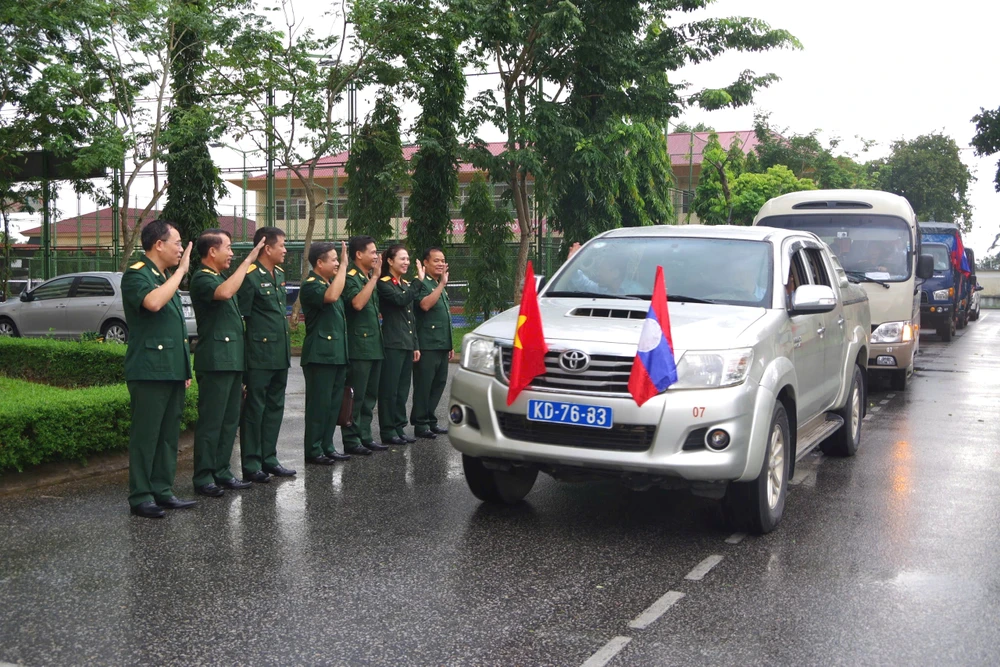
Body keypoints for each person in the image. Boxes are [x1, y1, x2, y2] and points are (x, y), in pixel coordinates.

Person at [121, 219, 196, 518]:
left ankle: (162, 490)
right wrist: (180, 273)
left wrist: (185, 370)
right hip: (149, 369)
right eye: (177, 243)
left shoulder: (163, 276)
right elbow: (152, 303)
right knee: (146, 435)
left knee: (167, 436)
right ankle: (141, 496)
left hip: (171, 369)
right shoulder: (137, 275)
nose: (181, 249)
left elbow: (176, 330)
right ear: (158, 244)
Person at [189, 230, 265, 498]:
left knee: (229, 421)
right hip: (215, 361)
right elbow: (224, 293)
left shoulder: (221, 276)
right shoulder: (202, 278)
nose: (232, 253)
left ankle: (222, 471)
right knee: (212, 421)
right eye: (229, 248)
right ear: (212, 251)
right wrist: (250, 260)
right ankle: (204, 476)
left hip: (231, 361)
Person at [237, 226, 296, 482]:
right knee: (255, 408)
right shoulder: (249, 276)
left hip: (279, 353)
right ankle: (251, 463)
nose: (285, 250)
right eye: (281, 245)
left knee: (275, 407)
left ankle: (269, 458)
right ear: (267, 247)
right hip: (259, 354)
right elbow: (242, 319)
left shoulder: (279, 273)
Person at [299, 241, 354, 465]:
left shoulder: (330, 283)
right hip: (320, 355)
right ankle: (313, 449)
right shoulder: (311, 285)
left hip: (337, 354)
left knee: (333, 405)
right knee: (319, 405)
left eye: (337, 259)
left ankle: (327, 445)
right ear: (319, 263)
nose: (337, 263)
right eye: (333, 259)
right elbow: (330, 297)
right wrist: (344, 266)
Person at [341, 235, 388, 455]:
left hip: (374, 345)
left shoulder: (368, 276)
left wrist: (373, 278)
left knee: (370, 396)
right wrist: (375, 278)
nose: (376, 256)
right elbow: (357, 303)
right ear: (358, 254)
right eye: (372, 252)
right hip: (359, 346)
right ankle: (351, 439)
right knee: (356, 395)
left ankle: (365, 435)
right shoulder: (352, 277)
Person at [376, 244, 424, 446]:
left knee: (403, 390)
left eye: (407, 259)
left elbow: (410, 319)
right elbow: (401, 300)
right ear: (390, 261)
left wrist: (415, 345)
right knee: (390, 389)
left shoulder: (404, 283)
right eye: (402, 259)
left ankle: (399, 427)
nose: (406, 262)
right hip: (392, 343)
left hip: (405, 343)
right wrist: (419, 281)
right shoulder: (384, 284)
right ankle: (388, 430)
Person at [411, 247, 453, 439]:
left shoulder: (437, 284)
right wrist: (441, 285)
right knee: (424, 385)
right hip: (427, 344)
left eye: (443, 261)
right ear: (425, 263)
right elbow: (425, 305)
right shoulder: (424, 284)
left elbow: (445, 317)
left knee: (438, 384)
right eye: (436, 261)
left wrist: (450, 344)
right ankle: (420, 424)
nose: (441, 264)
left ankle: (430, 419)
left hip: (441, 344)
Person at [564, 241, 643, 296]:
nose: (598, 274)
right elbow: (583, 283)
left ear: (615, 273)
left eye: (602, 271)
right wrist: (571, 261)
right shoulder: (604, 290)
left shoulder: (637, 292)